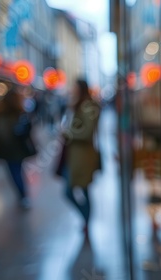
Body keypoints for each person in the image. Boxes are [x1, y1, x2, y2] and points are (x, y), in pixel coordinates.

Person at [61, 79, 100, 236]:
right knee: (79, 189)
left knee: (75, 190)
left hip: (82, 156)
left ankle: (86, 220)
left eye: (74, 87)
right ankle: (86, 221)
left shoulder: (88, 106)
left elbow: (87, 132)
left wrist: (67, 133)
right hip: (74, 155)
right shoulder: (78, 104)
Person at [0, 86, 36, 209]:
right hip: (18, 148)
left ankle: (23, 196)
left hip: (8, 149)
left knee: (14, 172)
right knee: (18, 171)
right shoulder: (20, 113)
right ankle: (23, 196)